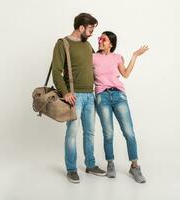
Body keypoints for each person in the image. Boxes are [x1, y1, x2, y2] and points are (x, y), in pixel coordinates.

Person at [51, 13, 106, 184]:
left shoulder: (87, 45)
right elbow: (56, 72)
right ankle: (71, 169)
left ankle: (90, 164)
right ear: (81, 28)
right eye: (90, 29)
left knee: (90, 132)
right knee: (72, 133)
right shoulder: (63, 44)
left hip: (90, 95)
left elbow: (94, 66)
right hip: (74, 97)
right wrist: (66, 92)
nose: (91, 33)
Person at [93, 31, 149, 183]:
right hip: (102, 96)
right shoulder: (93, 57)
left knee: (129, 132)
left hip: (118, 96)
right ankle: (110, 163)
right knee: (108, 132)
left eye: (103, 39)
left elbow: (125, 74)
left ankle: (135, 167)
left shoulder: (117, 57)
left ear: (110, 43)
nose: (100, 41)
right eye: (99, 39)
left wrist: (134, 56)